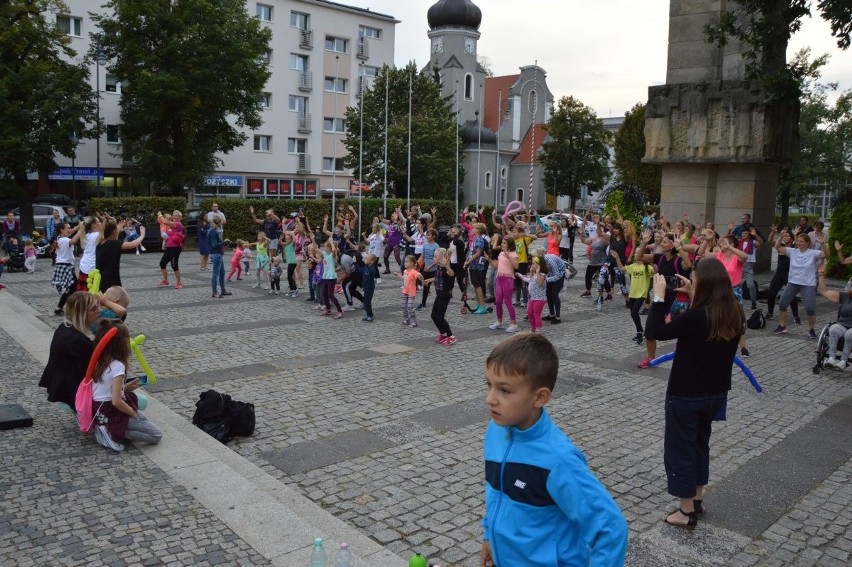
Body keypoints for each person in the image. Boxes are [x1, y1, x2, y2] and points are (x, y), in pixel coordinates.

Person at [482, 333, 628, 566]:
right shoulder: (496, 430)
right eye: (489, 385)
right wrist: (489, 535)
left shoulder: (559, 459)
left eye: (505, 390)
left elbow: (611, 530)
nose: (490, 399)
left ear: (540, 397)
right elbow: (495, 491)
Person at [648, 258, 743, 529]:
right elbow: (704, 324)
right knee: (700, 444)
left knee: (681, 449)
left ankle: (685, 511)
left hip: (686, 393)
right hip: (715, 394)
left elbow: (658, 331)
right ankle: (697, 499)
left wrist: (658, 297)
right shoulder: (734, 312)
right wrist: (693, 295)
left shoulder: (694, 317)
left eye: (696, 279)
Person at [90, 319, 162, 452]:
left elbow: (105, 389)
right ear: (121, 344)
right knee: (156, 434)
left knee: (142, 418)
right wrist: (132, 413)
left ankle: (106, 427)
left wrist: (125, 387)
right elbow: (116, 401)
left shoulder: (100, 360)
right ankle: (112, 432)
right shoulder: (118, 366)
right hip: (111, 412)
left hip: (99, 413)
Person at [38, 291, 99, 411]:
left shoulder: (64, 327)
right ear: (83, 313)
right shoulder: (79, 340)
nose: (99, 311)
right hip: (72, 390)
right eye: (94, 308)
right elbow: (90, 373)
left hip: (59, 382)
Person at [772, 230, 827, 338]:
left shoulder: (813, 253)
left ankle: (811, 329)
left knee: (810, 308)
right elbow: (777, 247)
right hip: (793, 282)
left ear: (807, 243)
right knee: (782, 304)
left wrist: (823, 244)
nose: (798, 243)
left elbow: (826, 254)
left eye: (801, 241)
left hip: (808, 284)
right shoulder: (792, 251)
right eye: (797, 241)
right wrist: (780, 237)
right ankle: (782, 326)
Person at [95, 218, 146, 292]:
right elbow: (133, 244)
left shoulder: (100, 242)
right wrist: (142, 235)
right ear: (113, 231)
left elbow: (113, 238)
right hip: (111, 281)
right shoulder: (113, 244)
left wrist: (117, 229)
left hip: (102, 279)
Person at [818, 260, 852, 369]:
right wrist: (821, 274)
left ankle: (843, 361)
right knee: (833, 329)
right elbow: (823, 291)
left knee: (849, 335)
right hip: (843, 325)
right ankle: (831, 358)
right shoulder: (845, 296)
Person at [51, 222, 84, 315]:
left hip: (64, 265)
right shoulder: (65, 240)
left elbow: (72, 231)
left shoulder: (59, 238)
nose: (70, 229)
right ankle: (63, 308)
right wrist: (81, 230)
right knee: (73, 287)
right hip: (65, 266)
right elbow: (73, 241)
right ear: (62, 230)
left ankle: (60, 308)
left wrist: (79, 226)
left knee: (71, 287)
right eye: (67, 228)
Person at [488, 236, 519, 333]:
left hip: (508, 279)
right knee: (498, 301)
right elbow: (497, 266)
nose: (502, 244)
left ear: (509, 244)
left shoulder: (513, 254)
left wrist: (508, 256)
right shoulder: (501, 253)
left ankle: (513, 323)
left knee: (508, 301)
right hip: (499, 278)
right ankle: (499, 321)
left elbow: (516, 266)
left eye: (505, 243)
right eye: (502, 243)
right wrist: (489, 259)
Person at [426, 248, 456, 343]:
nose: (434, 257)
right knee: (433, 316)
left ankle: (451, 336)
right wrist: (429, 280)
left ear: (442, 257)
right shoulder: (438, 266)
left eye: (436, 256)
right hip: (439, 294)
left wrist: (447, 266)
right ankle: (443, 333)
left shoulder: (445, 266)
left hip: (444, 295)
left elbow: (451, 274)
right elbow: (438, 277)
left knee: (440, 316)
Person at [463, 223, 490, 314]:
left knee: (478, 285)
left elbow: (478, 253)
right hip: (473, 265)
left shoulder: (479, 240)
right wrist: (467, 261)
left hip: (477, 265)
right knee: (475, 285)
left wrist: (469, 261)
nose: (471, 230)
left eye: (473, 228)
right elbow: (471, 252)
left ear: (478, 230)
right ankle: (479, 304)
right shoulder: (475, 239)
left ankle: (482, 306)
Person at [518, 255, 548, 333]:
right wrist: (521, 276)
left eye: (533, 264)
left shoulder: (542, 275)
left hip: (539, 299)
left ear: (539, 265)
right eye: (532, 263)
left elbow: (540, 283)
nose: (531, 265)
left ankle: (538, 329)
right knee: (530, 313)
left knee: (536, 314)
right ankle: (533, 328)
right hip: (532, 298)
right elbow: (530, 280)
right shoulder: (534, 274)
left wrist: (537, 272)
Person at [156, 210, 185, 289]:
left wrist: (160, 215)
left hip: (176, 248)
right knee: (162, 263)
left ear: (180, 217)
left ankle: (179, 283)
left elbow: (165, 222)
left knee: (174, 265)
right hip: (169, 247)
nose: (174, 217)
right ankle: (165, 281)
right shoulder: (172, 225)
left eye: (176, 215)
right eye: (174, 215)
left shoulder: (178, 224)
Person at [394, 255, 424, 327]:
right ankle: (407, 320)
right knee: (403, 306)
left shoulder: (414, 272)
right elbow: (404, 278)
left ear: (412, 263)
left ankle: (413, 321)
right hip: (404, 291)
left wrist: (421, 277)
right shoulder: (405, 271)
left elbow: (420, 277)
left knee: (410, 307)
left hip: (411, 292)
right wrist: (398, 274)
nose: (405, 263)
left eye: (407, 262)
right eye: (405, 261)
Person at [207, 216, 231, 299]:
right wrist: (223, 242)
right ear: (219, 222)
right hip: (216, 254)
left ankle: (223, 290)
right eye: (221, 222)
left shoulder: (212, 230)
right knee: (215, 274)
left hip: (217, 254)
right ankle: (214, 292)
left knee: (222, 272)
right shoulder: (213, 231)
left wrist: (224, 243)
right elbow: (214, 245)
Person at [358, 253, 379, 322]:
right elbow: (360, 270)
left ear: (372, 261)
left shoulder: (372, 268)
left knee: (367, 302)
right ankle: (368, 315)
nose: (365, 260)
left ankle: (370, 315)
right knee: (366, 302)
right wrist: (356, 263)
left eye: (367, 259)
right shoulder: (366, 267)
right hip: (366, 287)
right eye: (366, 258)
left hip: (370, 288)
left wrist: (366, 264)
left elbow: (370, 271)